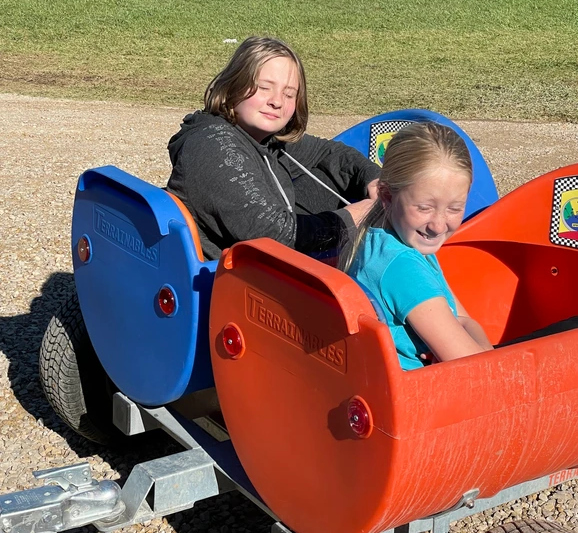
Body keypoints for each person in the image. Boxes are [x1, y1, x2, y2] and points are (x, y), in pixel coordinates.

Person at [167, 37, 380, 261]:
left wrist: (374, 179)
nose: (276, 101)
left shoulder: (264, 138)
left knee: (330, 174)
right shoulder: (214, 147)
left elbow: (329, 153)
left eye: (289, 94)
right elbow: (276, 236)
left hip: (260, 269)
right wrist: (353, 217)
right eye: (264, 87)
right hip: (238, 284)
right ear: (233, 85)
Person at [341, 121, 494, 371]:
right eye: (424, 208)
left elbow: (463, 319)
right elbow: (477, 369)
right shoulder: (402, 267)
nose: (438, 225)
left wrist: (475, 342)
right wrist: (484, 348)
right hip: (432, 397)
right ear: (387, 196)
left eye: (454, 208)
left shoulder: (386, 239)